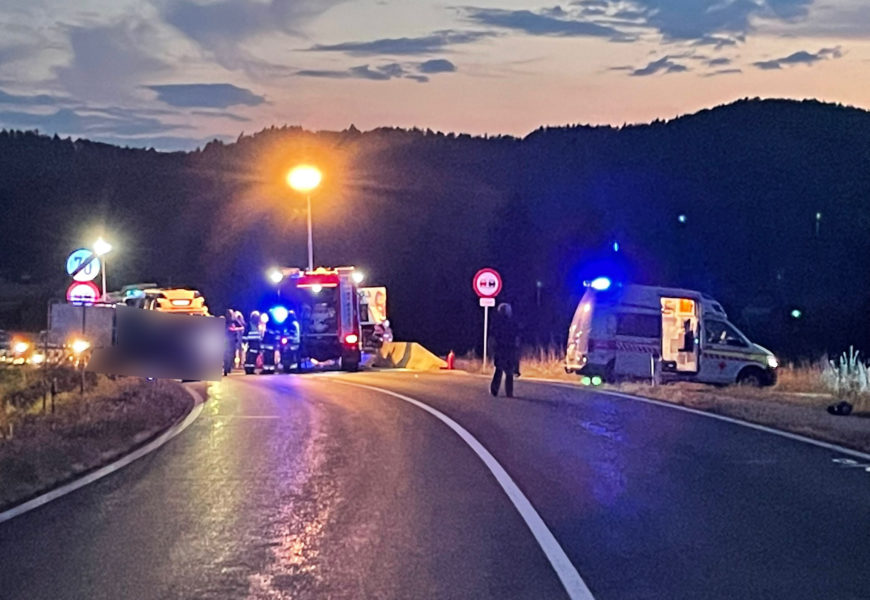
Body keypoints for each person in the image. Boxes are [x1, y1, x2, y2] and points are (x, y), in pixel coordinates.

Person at [490, 302, 519, 398]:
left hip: (501, 348)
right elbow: (516, 336)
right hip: (508, 348)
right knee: (509, 371)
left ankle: (494, 389)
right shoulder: (511, 323)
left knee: (499, 369)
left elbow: (493, 336)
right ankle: (509, 392)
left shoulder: (497, 323)